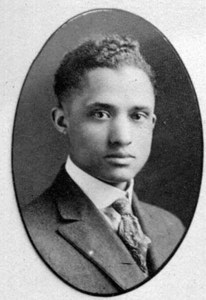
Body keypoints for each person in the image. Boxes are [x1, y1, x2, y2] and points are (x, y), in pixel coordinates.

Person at [23, 35, 185, 295]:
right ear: (62, 121)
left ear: (152, 123)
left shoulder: (171, 227)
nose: (122, 137)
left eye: (137, 116)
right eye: (100, 114)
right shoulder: (28, 235)